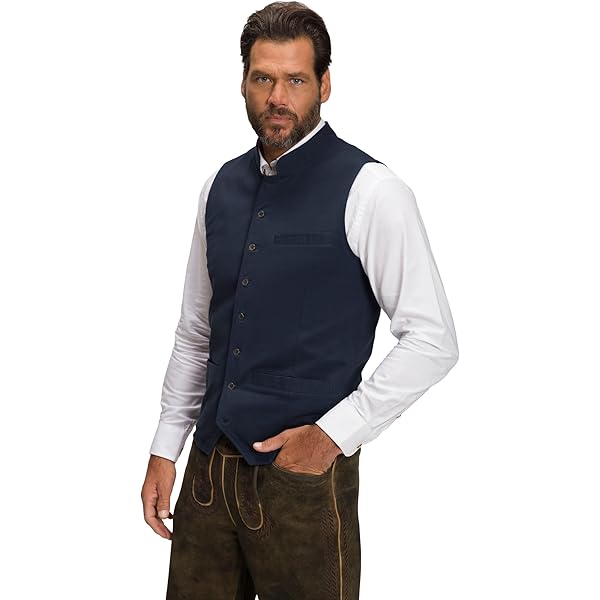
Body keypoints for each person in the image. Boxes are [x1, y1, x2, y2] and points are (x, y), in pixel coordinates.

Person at [141, 2, 459, 598]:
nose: (277, 97)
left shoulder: (373, 190)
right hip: (207, 477)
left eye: (295, 80)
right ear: (243, 82)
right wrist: (166, 448)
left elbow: (433, 340)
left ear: (325, 84)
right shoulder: (218, 188)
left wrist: (334, 435)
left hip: (302, 484)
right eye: (263, 79)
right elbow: (196, 332)